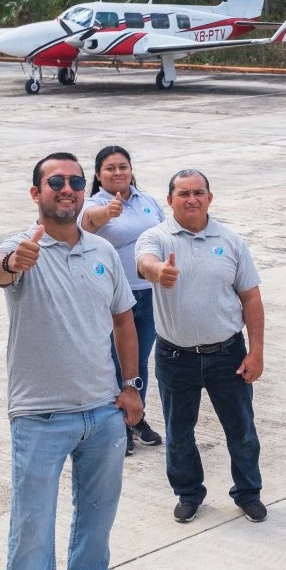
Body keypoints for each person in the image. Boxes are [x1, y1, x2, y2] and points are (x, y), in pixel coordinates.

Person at [0, 152, 142, 570]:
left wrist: (130, 386)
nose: (68, 189)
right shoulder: (22, 249)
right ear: (37, 193)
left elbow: (123, 319)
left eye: (76, 182)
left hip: (102, 411)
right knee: (31, 530)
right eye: (57, 182)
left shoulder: (101, 250)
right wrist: (13, 262)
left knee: (97, 515)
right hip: (39, 416)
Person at [135, 168, 267, 525]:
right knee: (179, 434)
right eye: (183, 193)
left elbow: (251, 298)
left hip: (228, 354)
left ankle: (248, 492)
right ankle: (189, 493)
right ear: (170, 200)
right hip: (175, 357)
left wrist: (256, 351)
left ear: (209, 197)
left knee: (241, 429)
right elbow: (144, 261)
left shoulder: (231, 240)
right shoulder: (157, 238)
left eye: (198, 192)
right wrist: (157, 271)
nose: (191, 198)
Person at [80, 145, 166, 454]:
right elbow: (89, 222)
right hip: (113, 298)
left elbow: (165, 234)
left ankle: (135, 416)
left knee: (138, 360)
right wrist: (109, 212)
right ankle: (117, 424)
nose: (118, 172)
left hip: (149, 294)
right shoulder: (92, 203)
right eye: (110, 168)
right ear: (98, 175)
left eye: (123, 166)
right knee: (115, 362)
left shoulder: (148, 201)